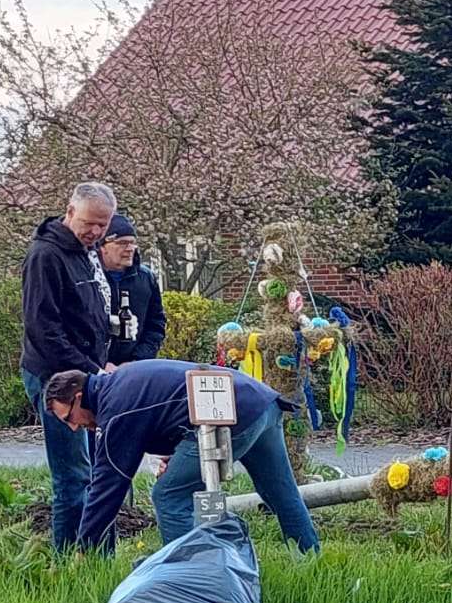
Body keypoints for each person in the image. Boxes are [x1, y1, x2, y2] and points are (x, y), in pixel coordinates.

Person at [42, 359, 319, 555]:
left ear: (79, 396)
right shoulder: (118, 386)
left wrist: (85, 547)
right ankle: (311, 560)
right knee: (281, 492)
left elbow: (107, 485)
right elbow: (169, 405)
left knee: (169, 494)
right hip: (261, 404)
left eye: (70, 417)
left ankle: (191, 579)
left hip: (232, 414)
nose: (74, 427)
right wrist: (178, 452)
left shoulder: (115, 411)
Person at [20, 181, 117, 550]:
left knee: (95, 471)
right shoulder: (45, 256)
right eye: (90, 223)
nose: (96, 232)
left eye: (103, 225)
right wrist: (92, 372)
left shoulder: (85, 252)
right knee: (74, 476)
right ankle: (69, 559)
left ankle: (94, 554)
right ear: (70, 211)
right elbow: (43, 330)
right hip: (57, 380)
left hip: (86, 373)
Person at [101, 213, 166, 366]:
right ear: (102, 246)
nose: (130, 249)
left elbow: (156, 325)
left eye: (132, 243)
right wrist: (100, 363)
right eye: (122, 242)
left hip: (134, 369)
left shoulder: (146, 278)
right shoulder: (87, 278)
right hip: (94, 370)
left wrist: (137, 361)